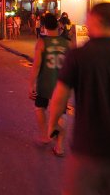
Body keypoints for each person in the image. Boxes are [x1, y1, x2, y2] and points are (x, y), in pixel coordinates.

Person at [48, 3, 110, 194]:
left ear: (95, 20)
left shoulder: (78, 56)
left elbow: (59, 97)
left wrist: (53, 123)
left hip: (89, 147)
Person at [29, 13, 70, 154]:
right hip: (62, 85)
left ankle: (45, 136)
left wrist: (31, 85)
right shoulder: (67, 43)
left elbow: (36, 66)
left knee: (40, 107)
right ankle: (59, 146)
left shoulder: (42, 42)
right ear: (58, 25)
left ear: (44, 26)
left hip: (44, 84)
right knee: (62, 113)